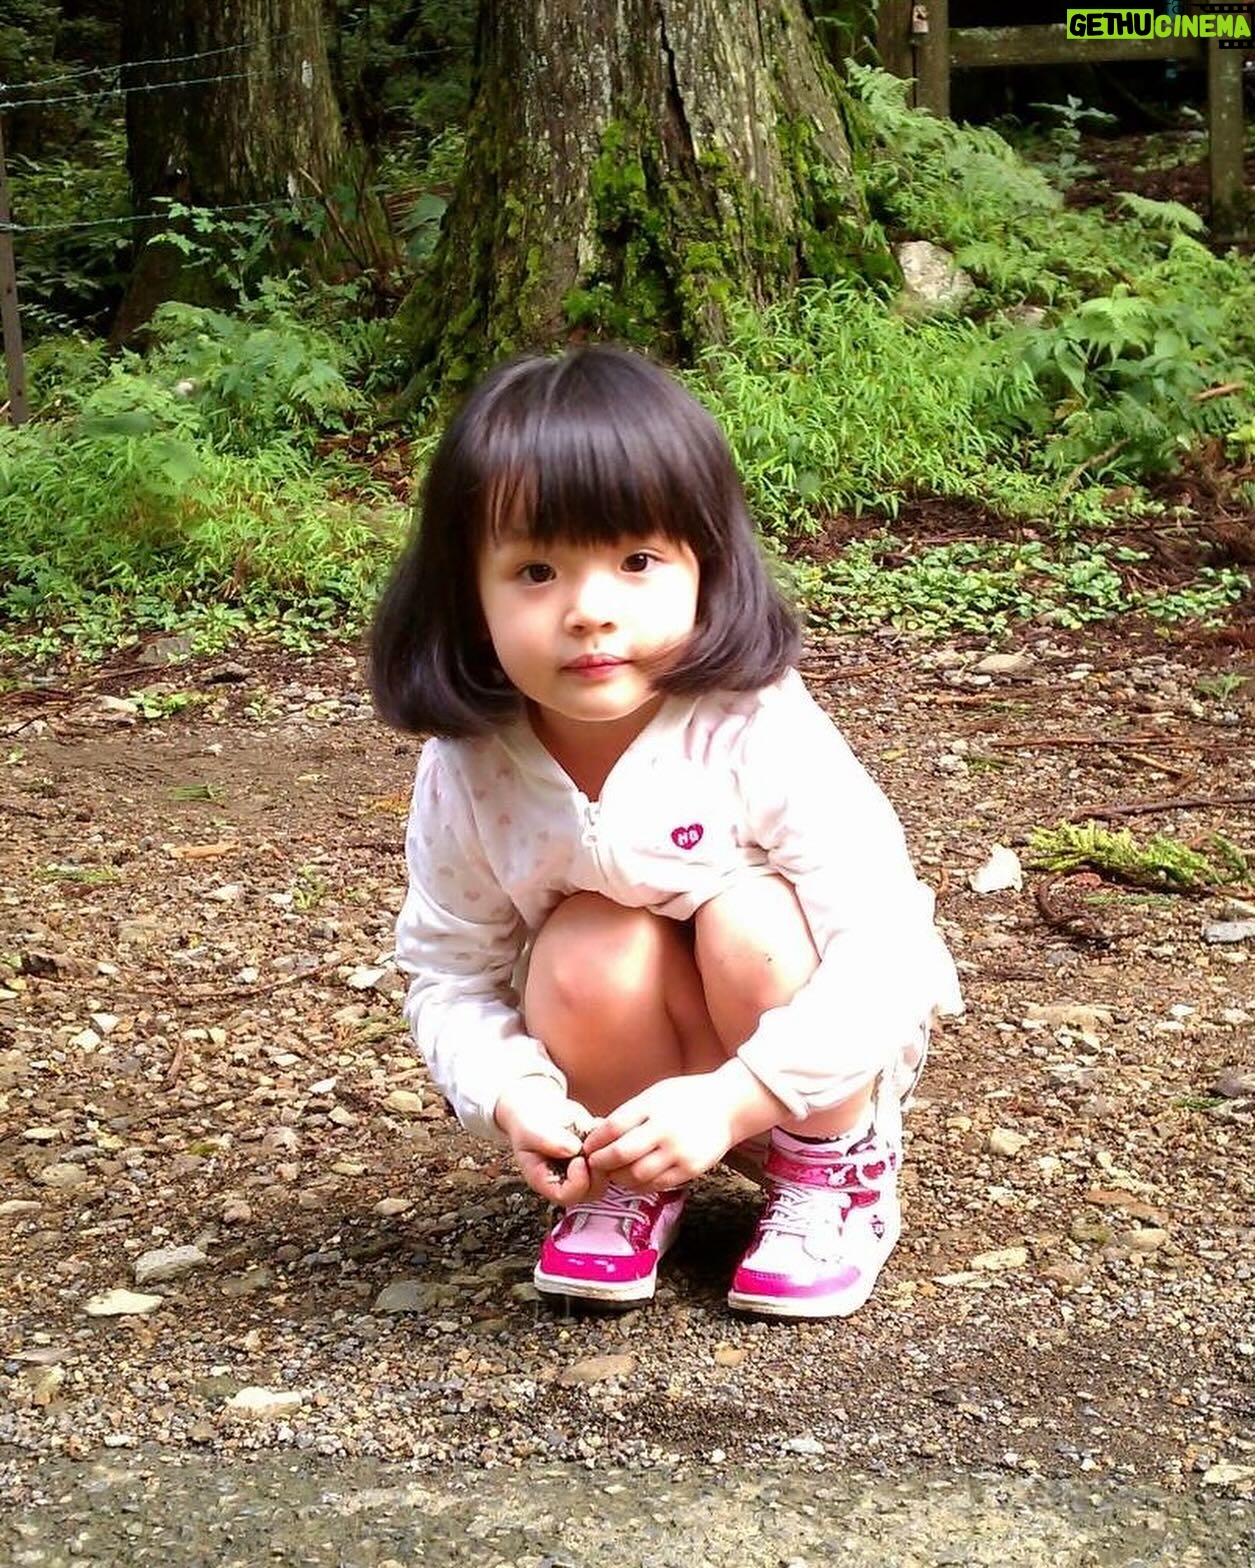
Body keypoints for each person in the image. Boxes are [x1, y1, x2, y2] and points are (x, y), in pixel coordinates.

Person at [370, 344, 962, 1319]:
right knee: (583, 941)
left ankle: (829, 1170)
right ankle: (624, 1175)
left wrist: (736, 1099)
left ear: (705, 564)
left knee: (751, 917)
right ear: (464, 592)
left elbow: (884, 949)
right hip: (632, 1084)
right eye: (535, 570)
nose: (589, 611)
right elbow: (449, 972)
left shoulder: (752, 725)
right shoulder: (472, 764)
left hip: (800, 1065)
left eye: (636, 561)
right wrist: (514, 1094)